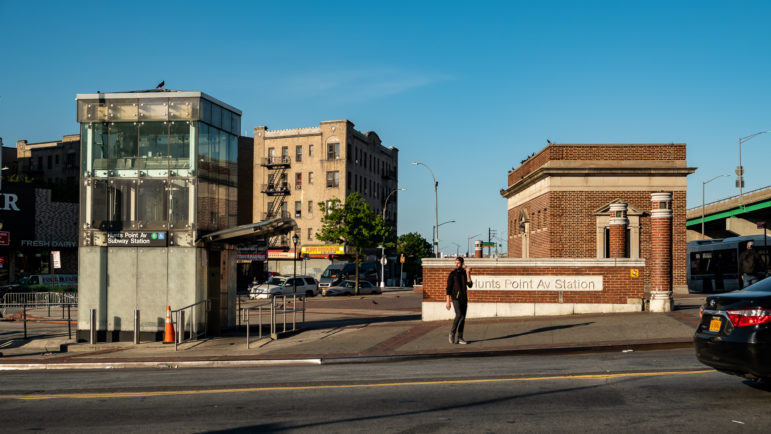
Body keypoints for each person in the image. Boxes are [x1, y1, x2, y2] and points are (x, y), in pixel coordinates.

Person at [445, 257, 473, 344]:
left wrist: (468, 273)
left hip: (464, 298)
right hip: (455, 298)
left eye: (458, 263)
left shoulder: (465, 273)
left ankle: (460, 338)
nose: (456, 264)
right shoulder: (452, 274)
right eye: (456, 263)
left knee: (463, 318)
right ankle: (452, 333)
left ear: (462, 263)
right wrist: (448, 301)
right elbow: (448, 289)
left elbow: (470, 285)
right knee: (459, 315)